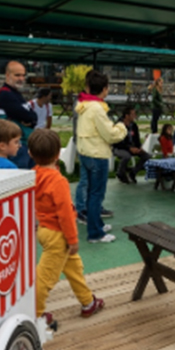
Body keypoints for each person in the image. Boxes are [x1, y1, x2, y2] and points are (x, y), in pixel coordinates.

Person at [28, 128, 104, 325]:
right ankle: (34, 314)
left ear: (30, 154)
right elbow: (65, 215)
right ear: (58, 154)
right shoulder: (58, 181)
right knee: (46, 277)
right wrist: (73, 240)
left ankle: (88, 302)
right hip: (58, 235)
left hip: (45, 229)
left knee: (73, 268)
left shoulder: (34, 174)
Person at [76, 70, 127, 244]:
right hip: (97, 155)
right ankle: (95, 234)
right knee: (96, 195)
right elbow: (111, 135)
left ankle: (96, 223)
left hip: (85, 153)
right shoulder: (97, 108)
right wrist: (121, 126)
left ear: (88, 87)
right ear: (105, 89)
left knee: (91, 193)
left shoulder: (83, 105)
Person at [0, 61, 38, 168]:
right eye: (17, 75)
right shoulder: (5, 95)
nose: (21, 78)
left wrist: (31, 119)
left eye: (23, 75)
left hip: (23, 144)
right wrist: (31, 119)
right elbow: (28, 116)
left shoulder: (15, 94)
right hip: (16, 147)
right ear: (7, 75)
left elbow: (31, 116)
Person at [112, 105, 150, 184]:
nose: (135, 116)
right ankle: (120, 173)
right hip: (119, 148)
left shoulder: (134, 126)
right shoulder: (119, 126)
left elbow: (136, 139)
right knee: (127, 156)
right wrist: (129, 148)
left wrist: (139, 148)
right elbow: (117, 142)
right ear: (127, 116)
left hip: (131, 148)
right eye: (133, 114)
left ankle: (133, 173)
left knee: (146, 156)